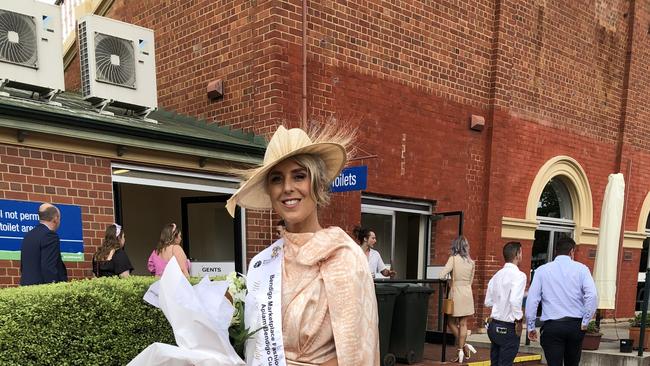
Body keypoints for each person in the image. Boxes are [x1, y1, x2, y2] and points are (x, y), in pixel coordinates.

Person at [225, 125, 379, 366]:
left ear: (317, 184)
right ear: (270, 192)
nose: (287, 187)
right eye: (277, 179)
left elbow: (355, 354)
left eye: (299, 176)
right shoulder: (263, 263)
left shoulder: (345, 257)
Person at [525, 237, 597, 366]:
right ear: (572, 251)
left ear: (556, 251)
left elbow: (532, 300)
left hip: (552, 326)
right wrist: (585, 320)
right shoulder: (582, 269)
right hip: (575, 325)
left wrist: (531, 326)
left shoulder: (542, 270)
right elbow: (592, 295)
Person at [484, 241, 527, 366]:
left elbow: (488, 302)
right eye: (521, 252)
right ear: (517, 254)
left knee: (495, 363)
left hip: (493, 326)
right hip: (508, 327)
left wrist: (502, 300)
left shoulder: (496, 275)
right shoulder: (520, 276)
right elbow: (514, 300)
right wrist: (519, 320)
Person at [439, 236, 476, 363]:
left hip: (456, 293)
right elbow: (470, 281)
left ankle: (463, 347)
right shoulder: (471, 262)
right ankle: (462, 348)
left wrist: (449, 280)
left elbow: (441, 275)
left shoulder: (453, 259)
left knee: (450, 322)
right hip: (467, 293)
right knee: (464, 324)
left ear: (455, 246)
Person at [20, 203, 67, 286]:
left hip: (26, 289)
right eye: (59, 218)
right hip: (44, 290)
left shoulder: (28, 235)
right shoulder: (50, 236)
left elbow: (23, 267)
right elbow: (49, 267)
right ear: (55, 218)